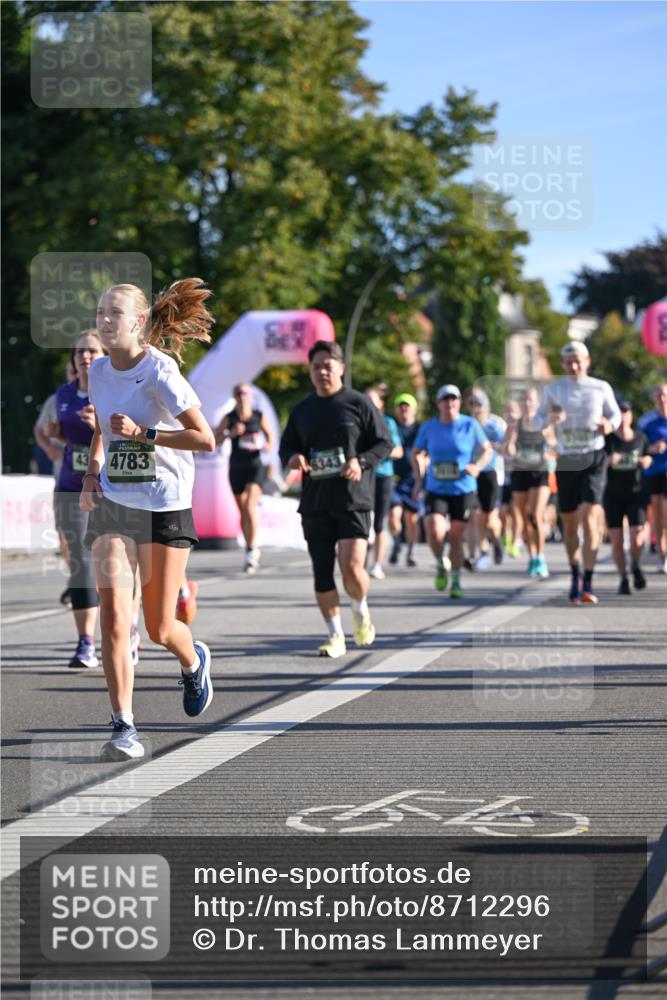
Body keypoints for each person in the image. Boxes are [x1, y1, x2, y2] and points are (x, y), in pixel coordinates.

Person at [80, 278, 216, 761]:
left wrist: (145, 433)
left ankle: (193, 658)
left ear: (138, 322)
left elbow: (206, 439)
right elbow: (101, 424)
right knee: (116, 618)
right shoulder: (97, 372)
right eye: (100, 312)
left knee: (159, 628)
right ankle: (123, 728)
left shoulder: (161, 372)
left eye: (113, 313)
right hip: (116, 502)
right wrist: (94, 470)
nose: (103, 320)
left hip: (164, 504)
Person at [279, 340, 391, 658]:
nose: (322, 371)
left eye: (328, 365)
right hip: (315, 501)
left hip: (353, 499)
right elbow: (286, 447)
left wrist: (362, 462)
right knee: (323, 571)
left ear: (341, 367)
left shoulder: (358, 403)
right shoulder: (302, 411)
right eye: (316, 366)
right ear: (310, 371)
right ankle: (335, 635)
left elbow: (384, 442)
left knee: (353, 567)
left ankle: (360, 609)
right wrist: (293, 458)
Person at [535, 341, 621, 604]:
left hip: (593, 456)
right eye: (569, 362)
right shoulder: (554, 389)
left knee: (590, 517)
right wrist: (549, 419)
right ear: (562, 364)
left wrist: (608, 424)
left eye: (578, 361)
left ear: (587, 361)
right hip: (567, 459)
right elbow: (536, 420)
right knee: (570, 522)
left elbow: (616, 415)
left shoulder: (600, 387)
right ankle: (575, 574)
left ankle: (588, 581)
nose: (573, 366)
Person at [48, 332, 105, 667]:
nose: (85, 356)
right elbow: (64, 435)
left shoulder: (114, 390)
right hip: (71, 484)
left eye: (92, 350)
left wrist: (100, 424)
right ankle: (86, 642)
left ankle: (128, 627)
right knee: (80, 562)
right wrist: (57, 433)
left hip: (111, 486)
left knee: (117, 563)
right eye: (80, 351)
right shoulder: (64, 393)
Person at [412, 384, 492, 599]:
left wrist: (477, 466)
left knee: (456, 535)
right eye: (445, 400)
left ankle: (455, 580)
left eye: (454, 399)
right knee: (434, 529)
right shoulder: (429, 427)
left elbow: (487, 450)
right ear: (438, 404)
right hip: (436, 487)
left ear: (459, 402)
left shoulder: (469, 424)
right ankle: (440, 562)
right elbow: (417, 452)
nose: (450, 403)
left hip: (463, 488)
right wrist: (419, 479)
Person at [214, 383, 275, 573]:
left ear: (250, 396)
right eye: (239, 393)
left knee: (250, 506)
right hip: (236, 467)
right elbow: (215, 440)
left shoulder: (258, 416)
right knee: (243, 510)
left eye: (245, 393)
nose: (242, 396)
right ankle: (250, 546)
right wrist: (230, 433)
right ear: (235, 396)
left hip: (255, 466)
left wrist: (268, 446)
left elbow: (270, 436)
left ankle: (251, 550)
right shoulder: (230, 418)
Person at [504, 387, 554, 579]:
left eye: (531, 400)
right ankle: (532, 556)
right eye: (524, 400)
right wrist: (510, 446)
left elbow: (555, 443)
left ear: (537, 402)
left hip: (539, 472)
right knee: (524, 517)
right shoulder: (515, 425)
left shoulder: (544, 424)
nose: (527, 403)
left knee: (535, 515)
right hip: (520, 473)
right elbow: (506, 449)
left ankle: (541, 557)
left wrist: (549, 450)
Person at [603, 401, 652, 594]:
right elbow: (598, 465)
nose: (623, 417)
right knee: (616, 541)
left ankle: (635, 564)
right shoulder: (609, 441)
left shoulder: (640, 438)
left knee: (638, 534)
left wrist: (647, 460)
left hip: (636, 493)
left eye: (626, 413)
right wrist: (608, 461)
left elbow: (648, 455)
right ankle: (623, 577)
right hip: (613, 495)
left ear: (631, 416)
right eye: (620, 413)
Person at [365, 387, 403, 580]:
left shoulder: (388, 423)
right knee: (362, 521)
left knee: (379, 522)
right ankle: (360, 561)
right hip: (363, 476)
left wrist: (379, 451)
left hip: (383, 476)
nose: (371, 404)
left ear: (381, 404)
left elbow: (398, 451)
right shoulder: (358, 423)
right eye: (367, 400)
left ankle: (377, 564)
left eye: (374, 400)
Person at [467, 390, 506, 569]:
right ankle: (481, 552)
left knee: (489, 517)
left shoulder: (495, 425)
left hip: (491, 472)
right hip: (471, 473)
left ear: (486, 406)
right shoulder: (466, 424)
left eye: (479, 405)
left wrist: (493, 446)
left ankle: (497, 541)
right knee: (475, 515)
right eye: (472, 404)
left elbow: (507, 448)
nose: (476, 409)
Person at [389, 393, 422, 568]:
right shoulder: (391, 427)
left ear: (414, 409)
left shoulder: (420, 429)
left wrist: (420, 479)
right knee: (394, 516)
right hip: (394, 479)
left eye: (407, 405)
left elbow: (427, 453)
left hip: (413, 479)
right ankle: (396, 542)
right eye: (400, 405)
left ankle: (411, 550)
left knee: (412, 518)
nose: (404, 409)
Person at [640, 384, 667, 573]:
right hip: (653, 472)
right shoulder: (646, 421)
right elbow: (638, 447)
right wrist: (652, 449)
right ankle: (661, 554)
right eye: (659, 395)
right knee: (657, 514)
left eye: (665, 395)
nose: (662, 399)